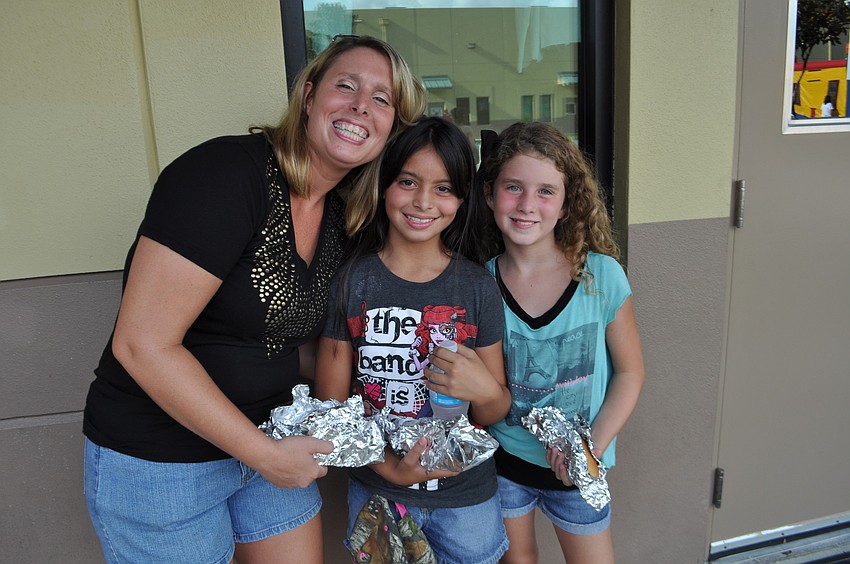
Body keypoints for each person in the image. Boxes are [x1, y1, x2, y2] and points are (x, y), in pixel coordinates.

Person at [82, 35, 426, 564]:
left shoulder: (344, 217)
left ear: (391, 131)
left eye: (382, 99)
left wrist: (402, 419)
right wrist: (263, 455)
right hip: (163, 461)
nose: (361, 105)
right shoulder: (224, 175)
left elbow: (303, 347)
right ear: (309, 97)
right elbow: (142, 344)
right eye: (346, 85)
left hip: (272, 438)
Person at [314, 116, 512, 563]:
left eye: (443, 188)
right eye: (408, 181)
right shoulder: (352, 283)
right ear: (385, 186)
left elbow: (496, 409)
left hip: (467, 501)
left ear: (462, 199)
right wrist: (390, 469)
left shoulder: (477, 287)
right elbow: (331, 407)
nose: (424, 201)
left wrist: (482, 389)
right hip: (378, 493)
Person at [477, 122, 645, 564]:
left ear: (568, 202)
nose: (527, 204)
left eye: (546, 191)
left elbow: (630, 373)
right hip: (506, 463)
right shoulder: (481, 285)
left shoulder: (602, 277)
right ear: (491, 195)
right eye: (514, 187)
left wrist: (591, 447)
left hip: (581, 470)